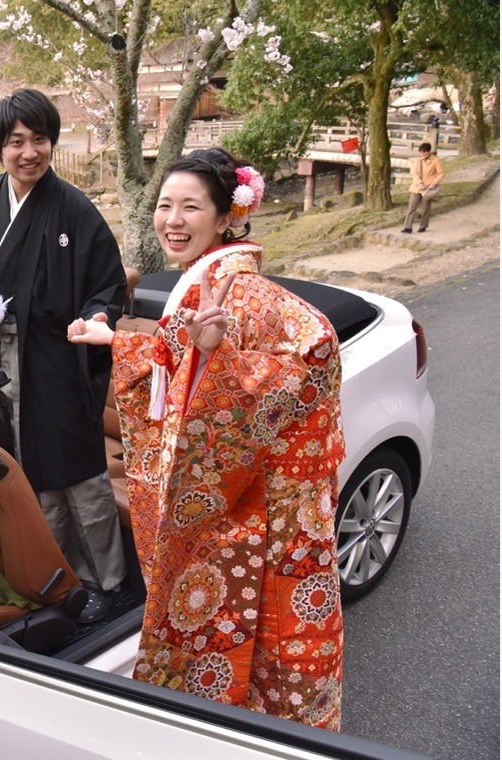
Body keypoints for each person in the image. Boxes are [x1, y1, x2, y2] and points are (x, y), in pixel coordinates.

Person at [68, 147, 346, 729]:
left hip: (259, 512)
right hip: (229, 496)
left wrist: (222, 360)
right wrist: (115, 341)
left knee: (263, 640)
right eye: (165, 204)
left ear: (226, 218)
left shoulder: (246, 292)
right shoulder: (203, 286)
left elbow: (317, 351)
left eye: (191, 206)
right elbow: (178, 355)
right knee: (229, 641)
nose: (173, 218)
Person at [0, 89, 133, 624]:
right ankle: (52, 575)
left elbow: (106, 284)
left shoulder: (75, 209)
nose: (29, 152)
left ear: (52, 142)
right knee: (22, 468)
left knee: (77, 475)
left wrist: (97, 317)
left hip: (57, 358)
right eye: (16, 142)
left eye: (39, 139)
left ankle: (106, 581)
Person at [402, 142, 444, 233]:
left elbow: (440, 173)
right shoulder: (418, 160)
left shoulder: (435, 160)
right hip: (416, 187)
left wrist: (434, 183)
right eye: (421, 152)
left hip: (428, 187)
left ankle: (423, 226)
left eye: (424, 152)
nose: (422, 154)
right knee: (411, 207)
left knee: (426, 208)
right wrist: (419, 183)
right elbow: (414, 173)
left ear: (428, 151)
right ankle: (407, 227)